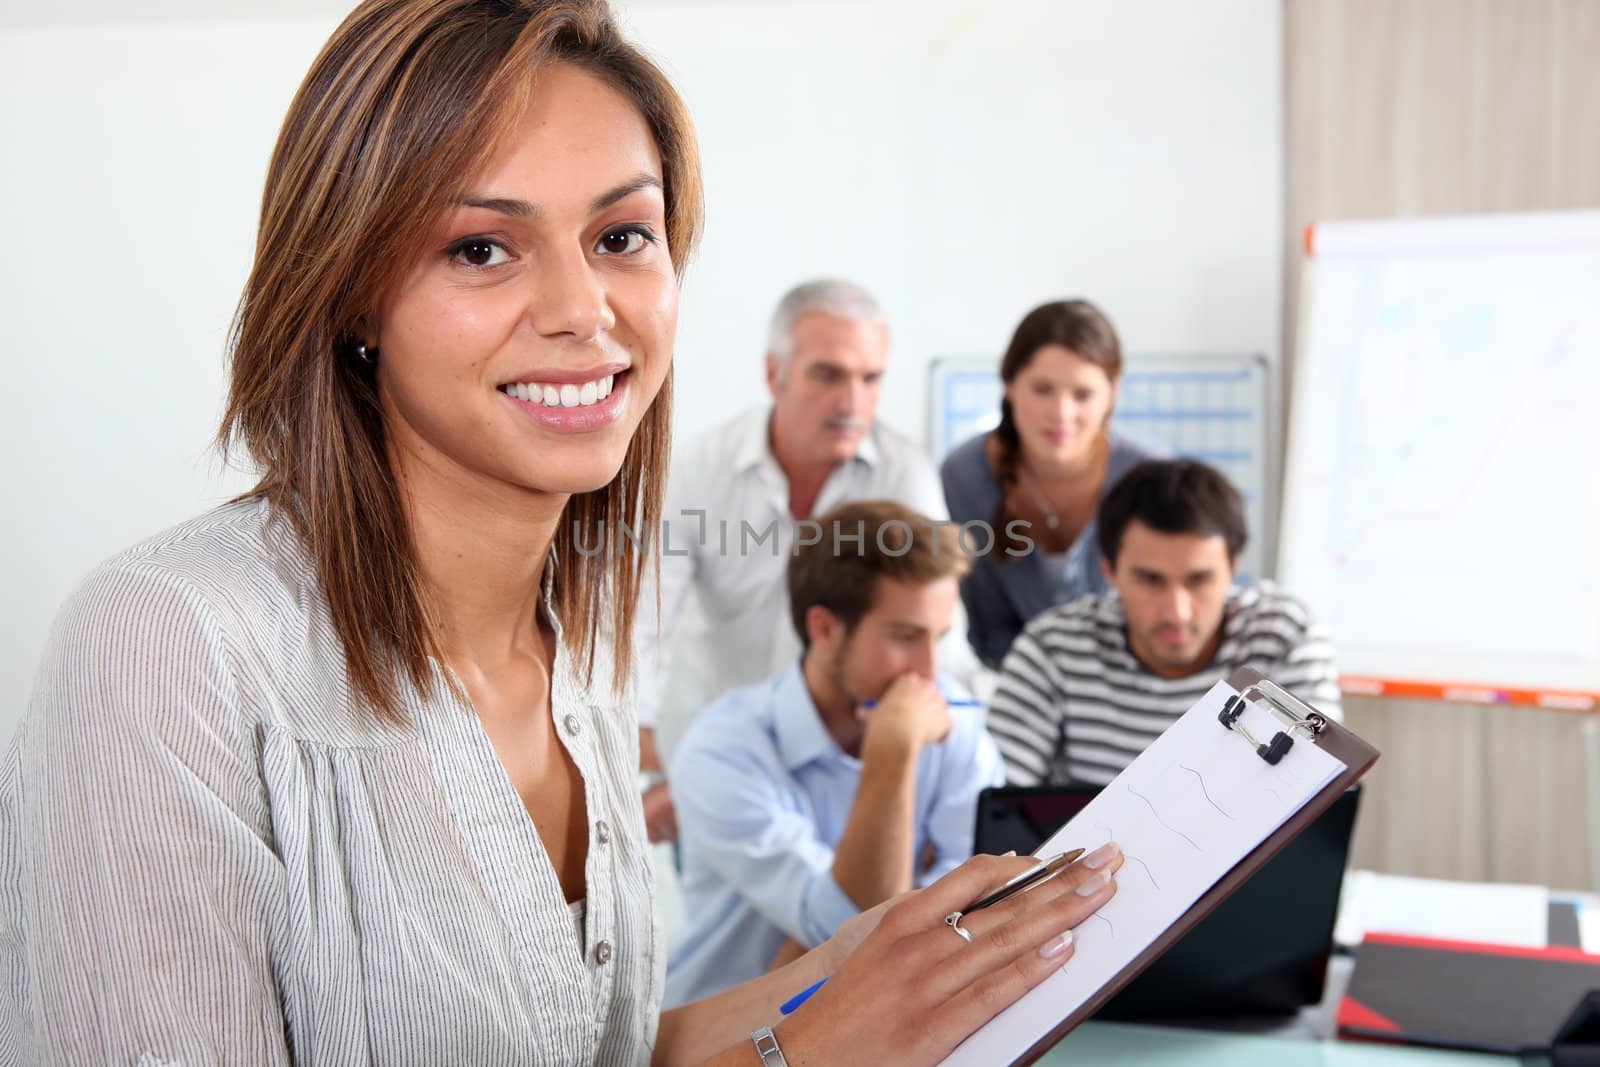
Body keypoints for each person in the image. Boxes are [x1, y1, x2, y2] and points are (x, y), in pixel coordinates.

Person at [0, 2, 1121, 1064]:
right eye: (482, 247)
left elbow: (591, 1047)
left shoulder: (572, 660)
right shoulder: (166, 645)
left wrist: (856, 966)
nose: (585, 310)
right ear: (347, 291)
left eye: (622, 234)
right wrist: (813, 1049)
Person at [634, 278, 975, 843]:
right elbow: (635, 626)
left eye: (870, 379)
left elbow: (940, 635)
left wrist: (945, 752)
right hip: (717, 763)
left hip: (846, 768)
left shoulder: (905, 476)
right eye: (828, 375)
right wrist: (649, 771)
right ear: (775, 374)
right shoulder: (696, 471)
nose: (852, 403)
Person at [664, 501, 1006, 1007]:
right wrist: (892, 751)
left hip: (883, 1032)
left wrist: (846, 921)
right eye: (905, 637)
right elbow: (857, 930)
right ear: (824, 629)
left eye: (939, 638)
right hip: (718, 1039)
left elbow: (985, 905)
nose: (929, 671)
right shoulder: (723, 751)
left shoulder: (955, 724)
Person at [987, 459, 1342, 787]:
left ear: (1234, 567)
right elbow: (997, 801)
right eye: (1150, 580)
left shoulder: (1285, 635)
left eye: (1199, 579)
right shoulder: (1054, 647)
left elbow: (1317, 793)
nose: (1177, 612)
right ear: (1109, 570)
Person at [941, 299, 1165, 669]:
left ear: (1113, 392)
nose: (1061, 413)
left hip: (1133, 684)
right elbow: (988, 627)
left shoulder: (1150, 473)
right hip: (1016, 681)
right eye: (1043, 389)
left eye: (1083, 394)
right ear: (1009, 385)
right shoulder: (964, 475)